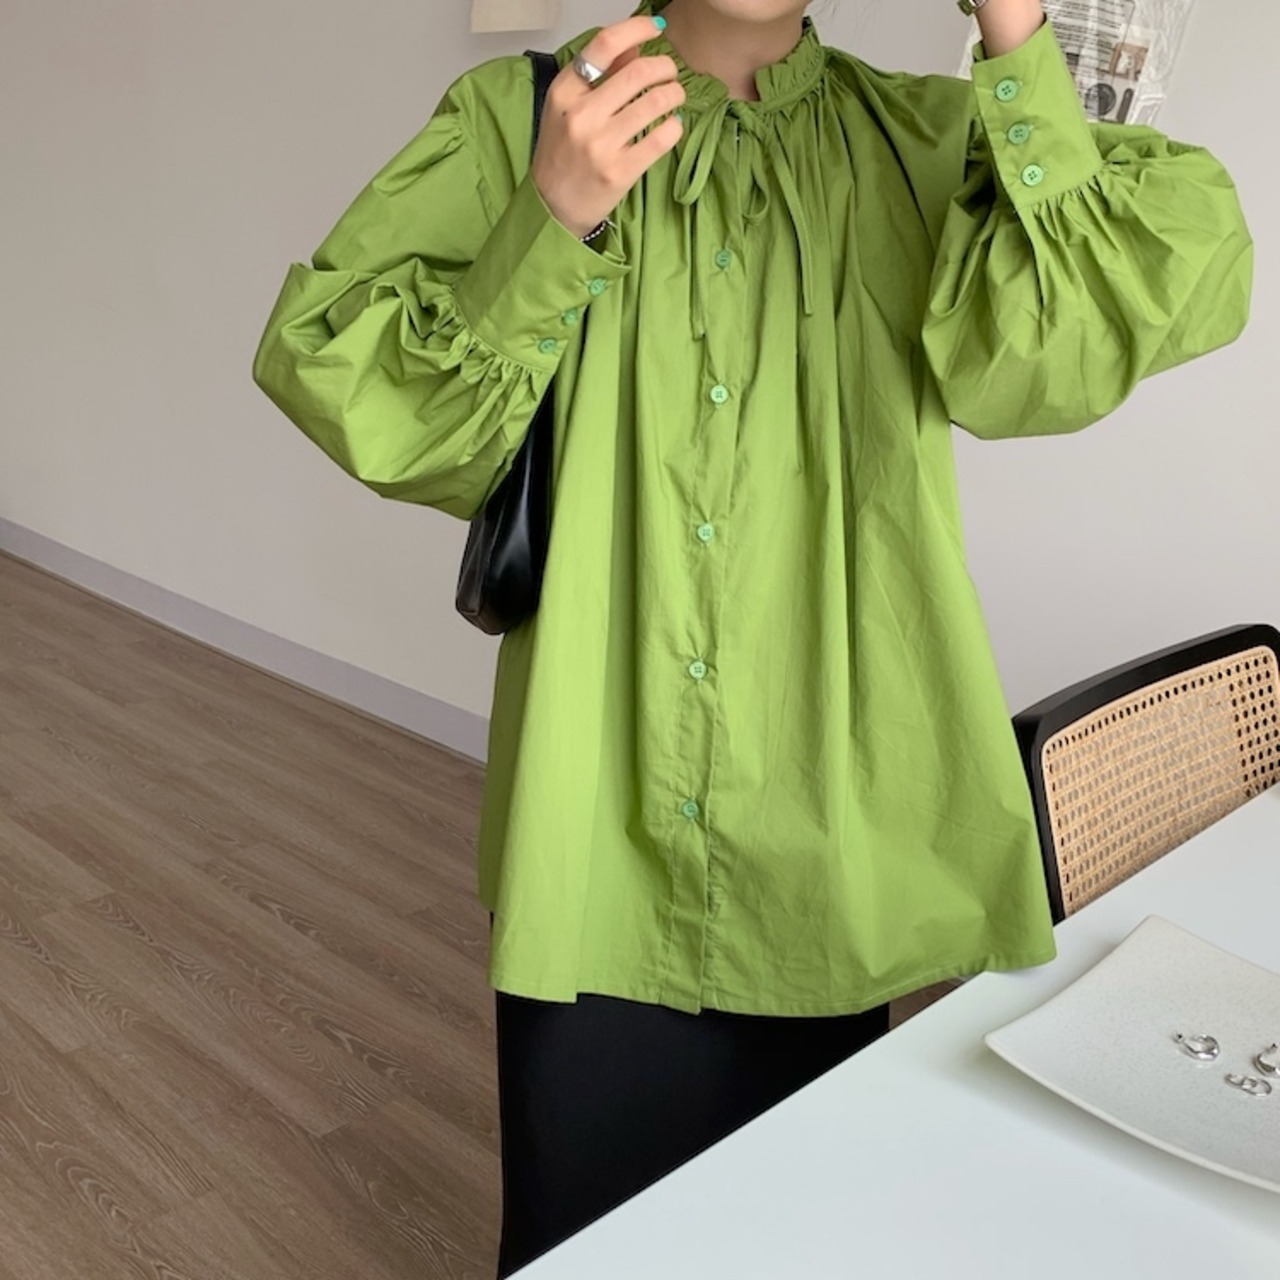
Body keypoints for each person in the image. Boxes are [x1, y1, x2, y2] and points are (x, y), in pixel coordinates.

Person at [251, 0, 1253, 1273]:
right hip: (599, 825)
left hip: (833, 821)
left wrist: (1015, 31)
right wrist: (549, 221)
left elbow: (1107, 310)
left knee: (797, 1229)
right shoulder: (525, 117)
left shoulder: (923, 136)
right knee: (584, 1234)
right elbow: (346, 378)